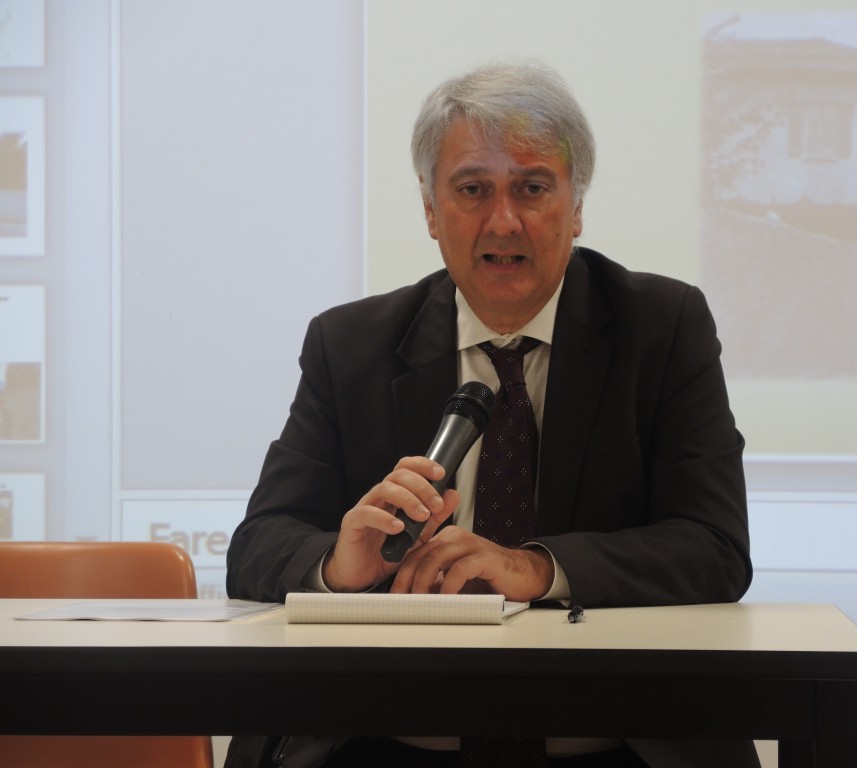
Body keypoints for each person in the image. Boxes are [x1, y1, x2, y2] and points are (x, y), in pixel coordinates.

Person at [225, 60, 758, 768]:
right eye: (473, 189)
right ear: (430, 210)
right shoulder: (349, 344)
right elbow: (257, 546)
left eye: (533, 188)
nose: (503, 221)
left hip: (613, 740)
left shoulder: (662, 328)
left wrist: (535, 568)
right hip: (387, 740)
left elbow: (714, 547)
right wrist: (338, 565)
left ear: (575, 208)